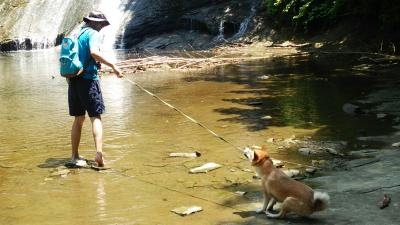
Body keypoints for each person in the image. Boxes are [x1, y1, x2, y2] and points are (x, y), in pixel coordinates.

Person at [68, 11, 123, 167]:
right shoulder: (93, 34)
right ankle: (99, 154)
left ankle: (74, 156)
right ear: (95, 23)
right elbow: (93, 52)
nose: (101, 27)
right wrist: (113, 66)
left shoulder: (78, 34)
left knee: (78, 119)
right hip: (88, 80)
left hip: (73, 79)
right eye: (101, 24)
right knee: (95, 117)